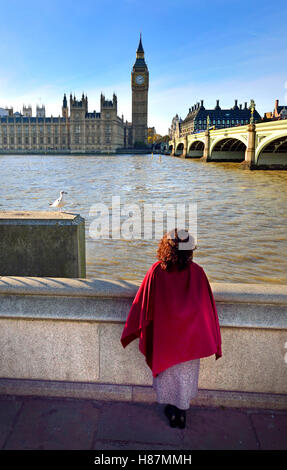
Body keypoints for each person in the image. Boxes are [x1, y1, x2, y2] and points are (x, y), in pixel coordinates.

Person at [120, 228, 222, 429]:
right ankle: (181, 414)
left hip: (165, 339)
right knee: (186, 375)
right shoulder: (198, 272)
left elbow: (142, 305)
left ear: (165, 248)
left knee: (168, 373)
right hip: (190, 340)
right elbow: (206, 309)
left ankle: (171, 411)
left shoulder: (156, 271)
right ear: (189, 250)